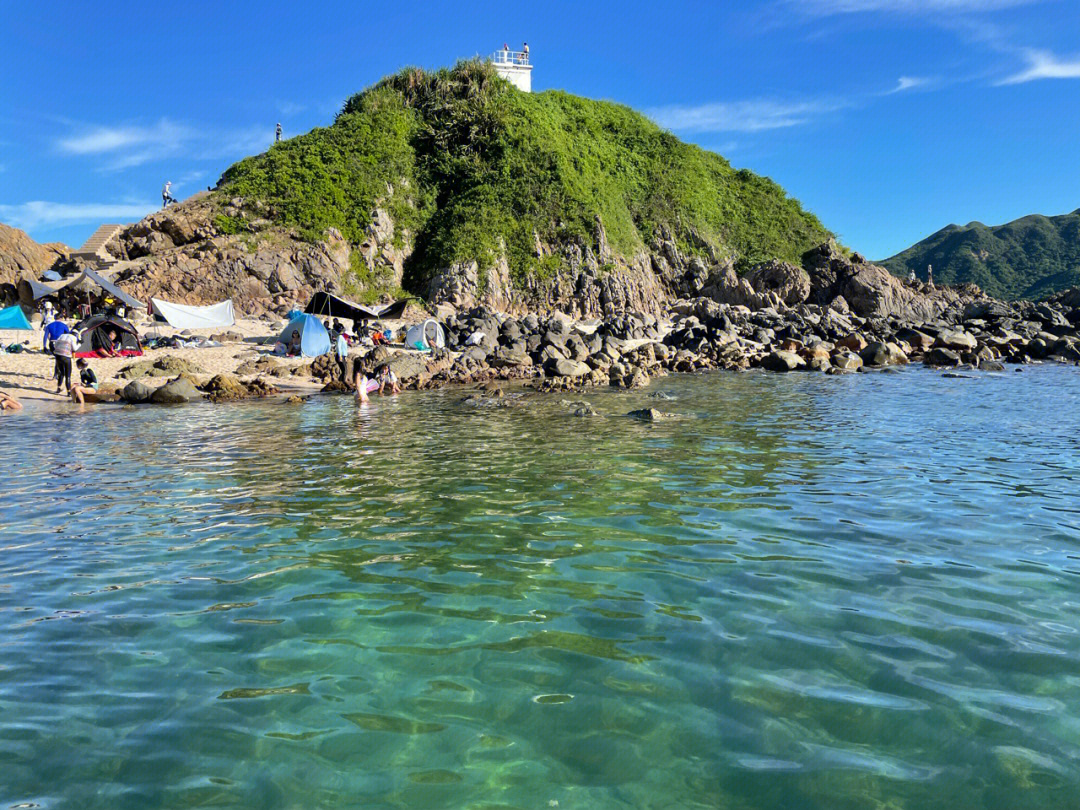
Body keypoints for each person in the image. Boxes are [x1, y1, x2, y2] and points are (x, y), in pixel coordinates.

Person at [52, 329, 77, 394]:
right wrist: (79, 343)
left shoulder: (62, 335)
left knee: (61, 373)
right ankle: (68, 391)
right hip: (66, 357)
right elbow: (74, 348)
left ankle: (58, 388)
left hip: (57, 356)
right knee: (68, 375)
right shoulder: (73, 337)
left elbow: (55, 345)